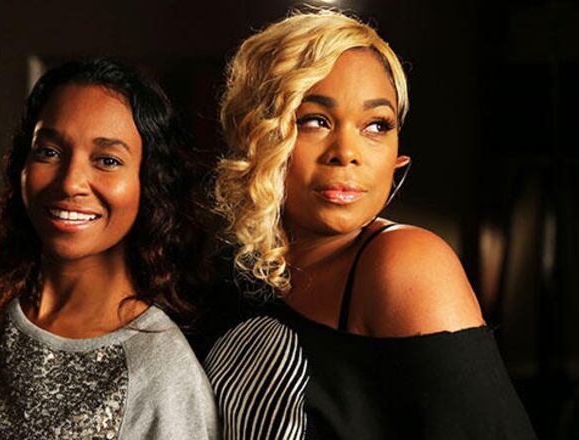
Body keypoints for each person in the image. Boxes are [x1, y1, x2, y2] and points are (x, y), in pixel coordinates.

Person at [203, 10, 536, 439]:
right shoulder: (235, 269)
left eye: (376, 125)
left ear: (397, 157)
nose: (347, 153)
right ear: (258, 135)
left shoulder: (405, 264)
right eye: (315, 121)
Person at [0, 58, 219, 439]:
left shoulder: (160, 368)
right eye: (49, 152)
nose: (70, 182)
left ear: (149, 183)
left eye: (107, 160)